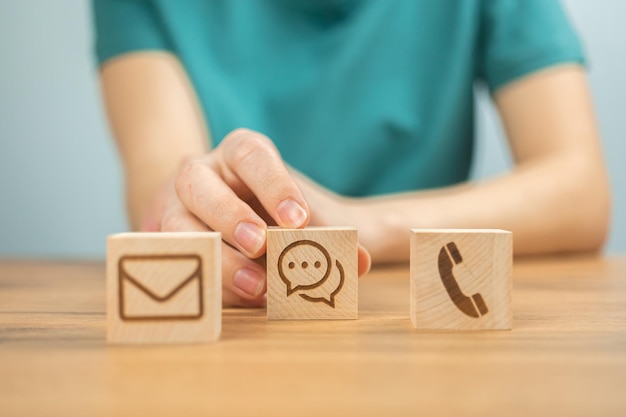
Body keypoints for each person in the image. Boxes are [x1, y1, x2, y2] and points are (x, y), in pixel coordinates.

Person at [92, 0, 611, 307]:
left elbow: (580, 190)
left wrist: (358, 224)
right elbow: (159, 174)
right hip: (246, 322)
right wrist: (184, 200)